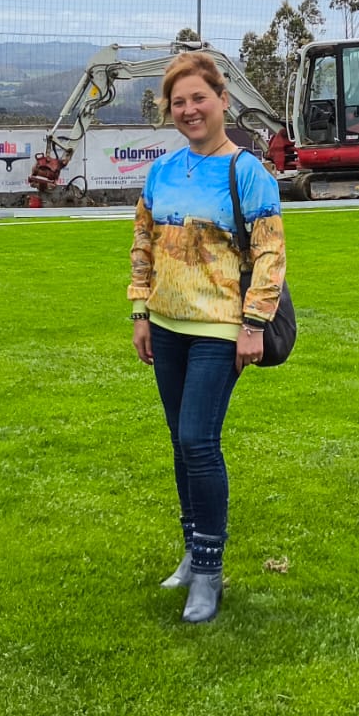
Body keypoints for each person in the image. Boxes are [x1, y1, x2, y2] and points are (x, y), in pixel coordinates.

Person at [127, 52, 286, 624]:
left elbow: (271, 255)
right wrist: (141, 311)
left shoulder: (248, 172)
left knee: (198, 439)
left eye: (199, 98)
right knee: (180, 443)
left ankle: (211, 572)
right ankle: (193, 556)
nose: (189, 110)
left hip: (221, 329)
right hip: (166, 325)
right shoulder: (162, 171)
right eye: (178, 103)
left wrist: (253, 324)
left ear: (223, 100)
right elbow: (143, 242)